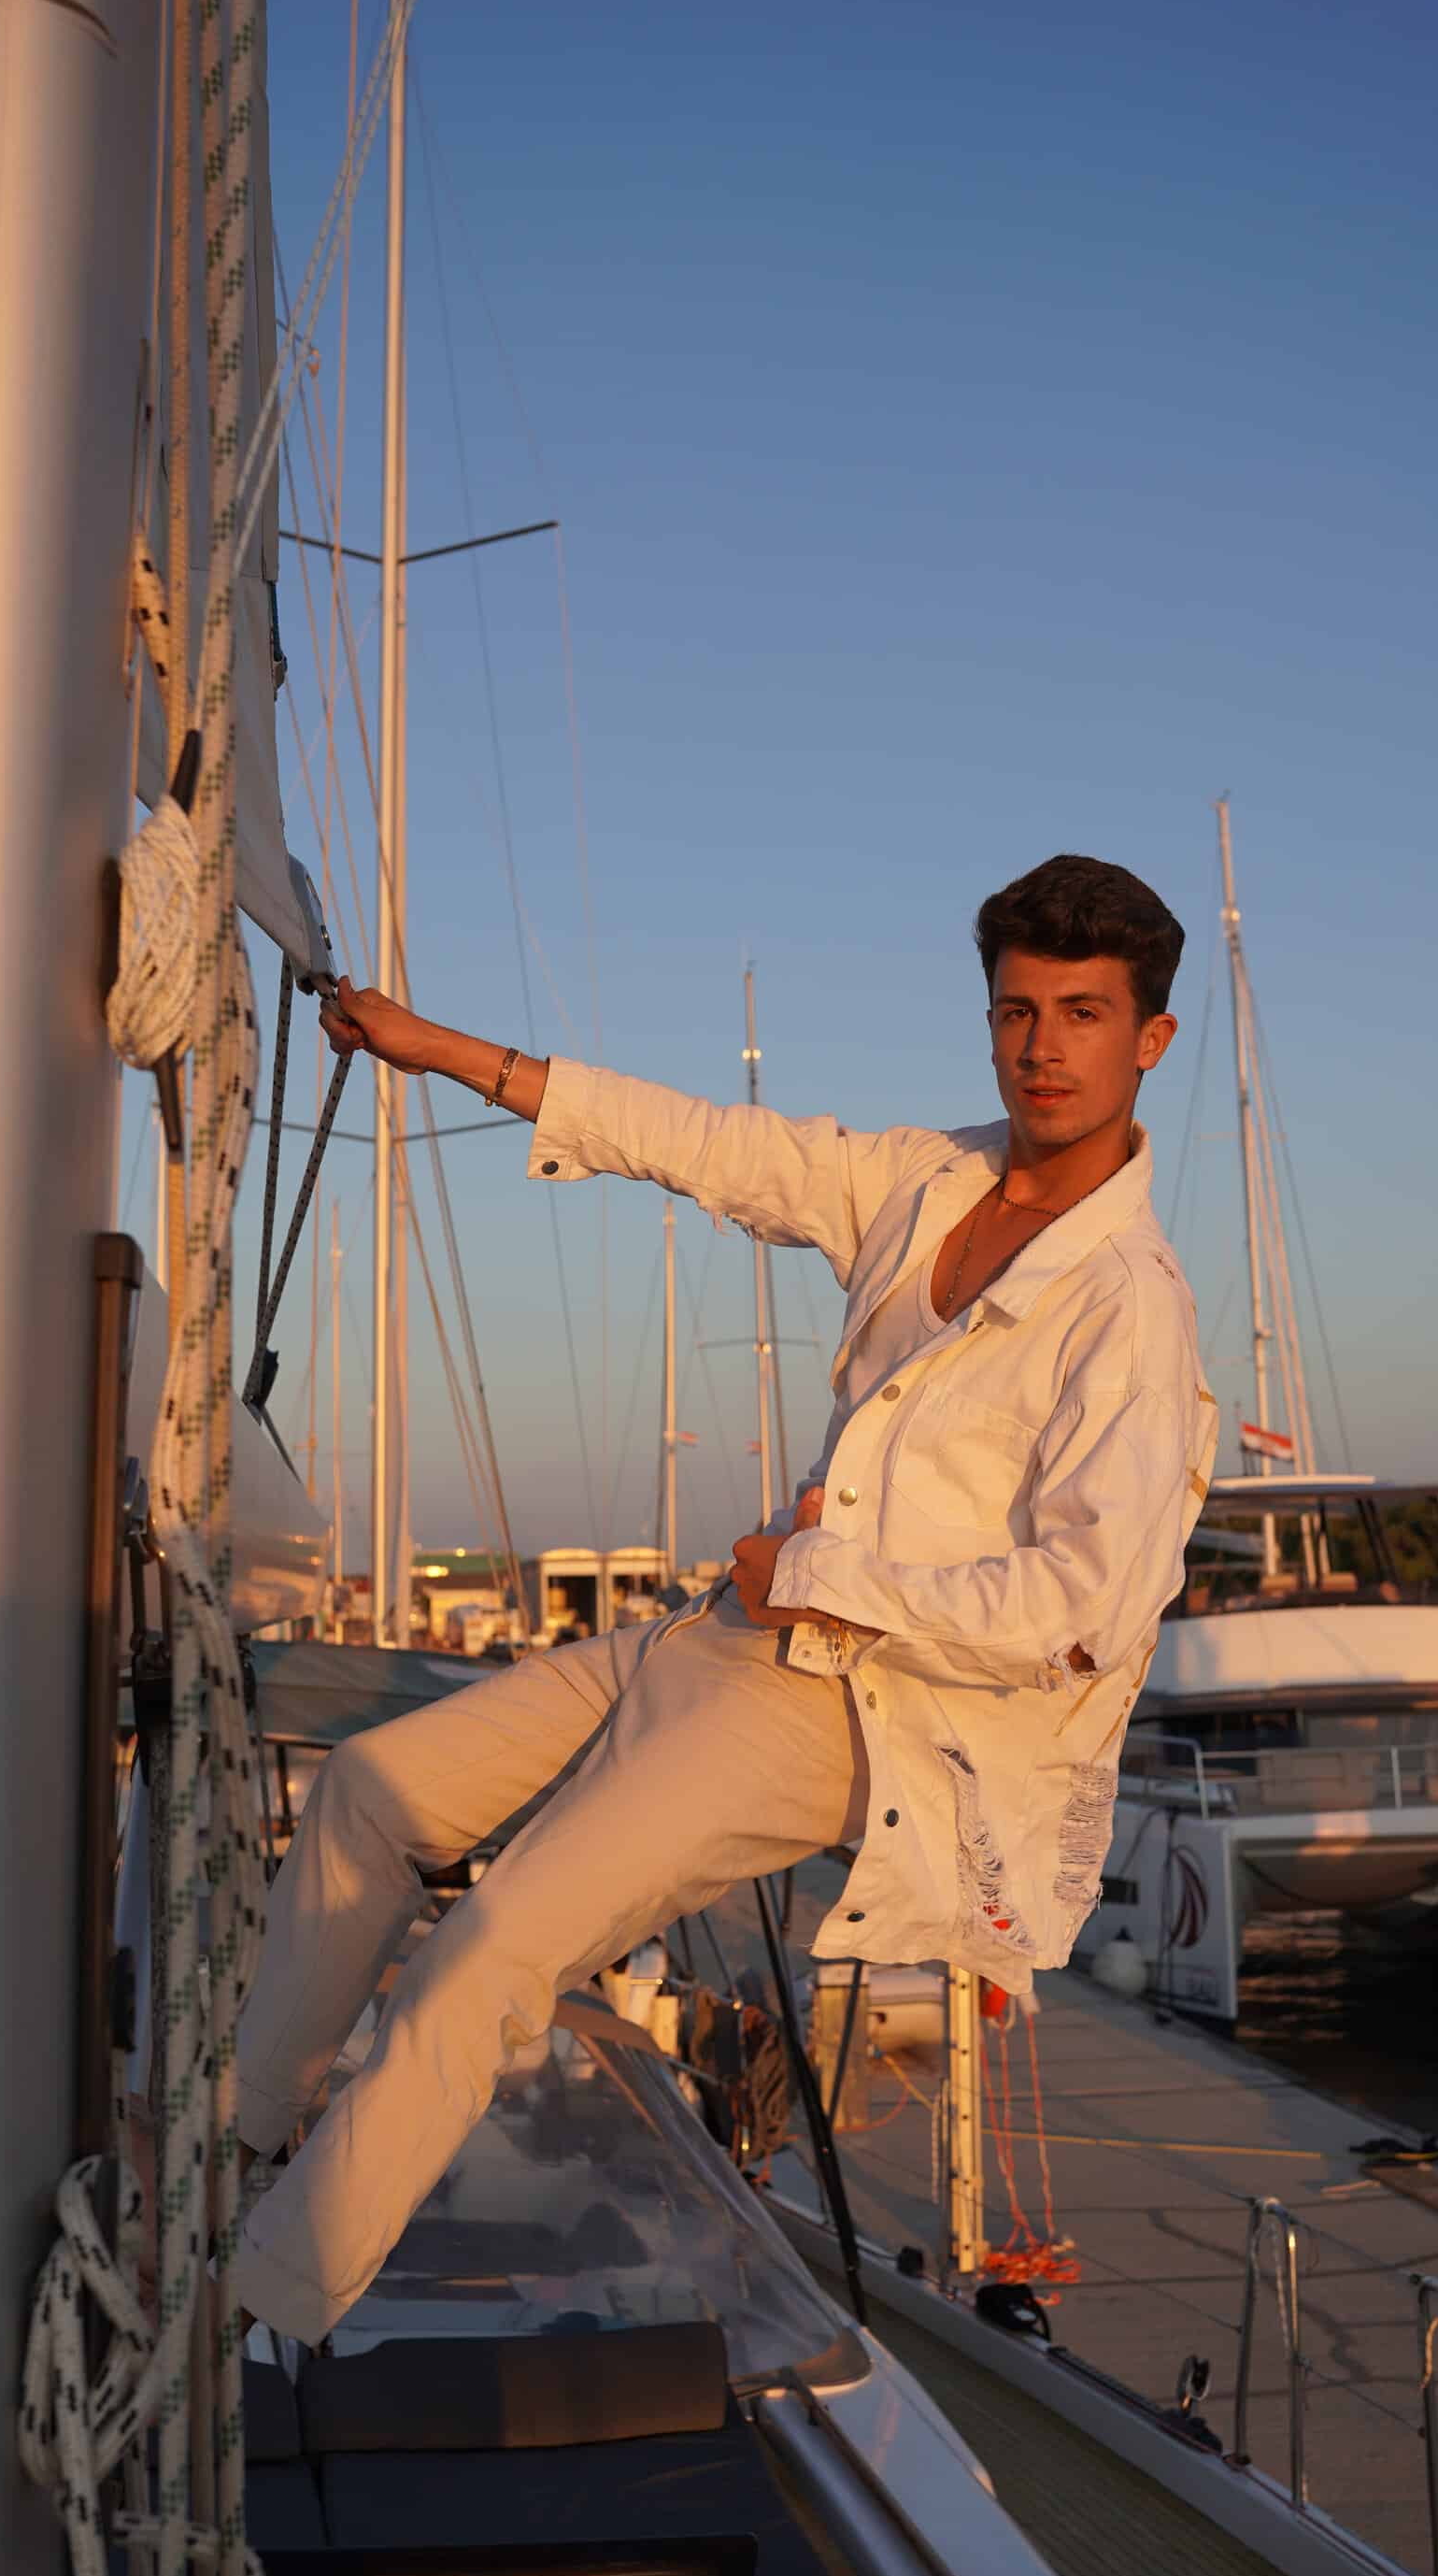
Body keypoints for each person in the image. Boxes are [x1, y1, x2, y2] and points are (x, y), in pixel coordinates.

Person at [229, 852, 1217, 2342]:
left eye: (1084, 1015)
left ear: (1150, 1039)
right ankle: (234, 2141)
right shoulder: (926, 1181)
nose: (1043, 1048)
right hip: (724, 1637)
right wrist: (443, 1052)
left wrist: (819, 1569)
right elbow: (707, 1144)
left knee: (495, 1948)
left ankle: (258, 2304)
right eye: (1018, 1011)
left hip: (850, 1711)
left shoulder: (1128, 1307)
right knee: (372, 1788)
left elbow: (1085, 1606)